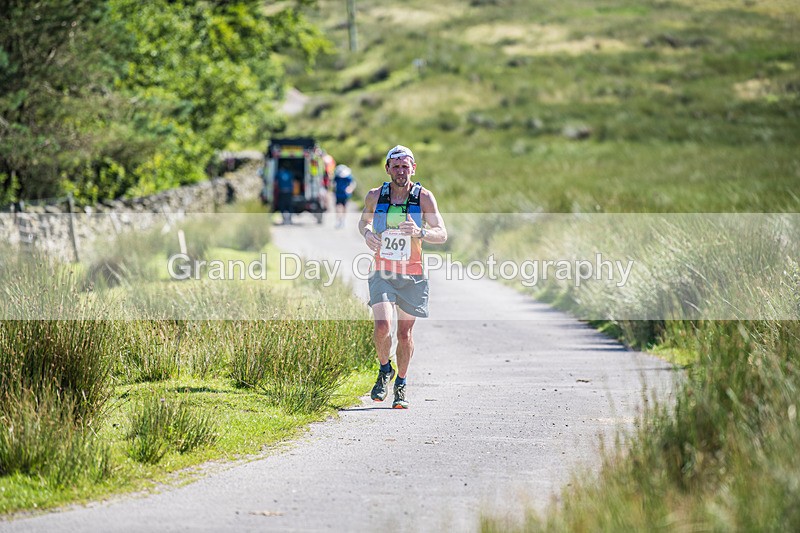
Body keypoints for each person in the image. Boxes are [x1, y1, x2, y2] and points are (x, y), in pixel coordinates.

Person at [357, 145, 447, 409]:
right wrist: (367, 234)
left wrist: (420, 232)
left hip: (413, 275)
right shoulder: (375, 195)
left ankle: (401, 384)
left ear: (413, 168)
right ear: (387, 169)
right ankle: (385, 369)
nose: (400, 171)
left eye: (405, 166)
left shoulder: (424, 198)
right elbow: (363, 222)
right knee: (382, 326)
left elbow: (442, 233)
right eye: (395, 166)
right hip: (382, 271)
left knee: (405, 334)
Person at [333, 164, 357, 229]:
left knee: (344, 207)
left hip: (345, 195)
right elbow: (333, 184)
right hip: (338, 194)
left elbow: (353, 183)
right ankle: (338, 220)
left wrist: (350, 188)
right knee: (338, 207)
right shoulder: (337, 177)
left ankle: (343, 220)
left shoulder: (348, 177)